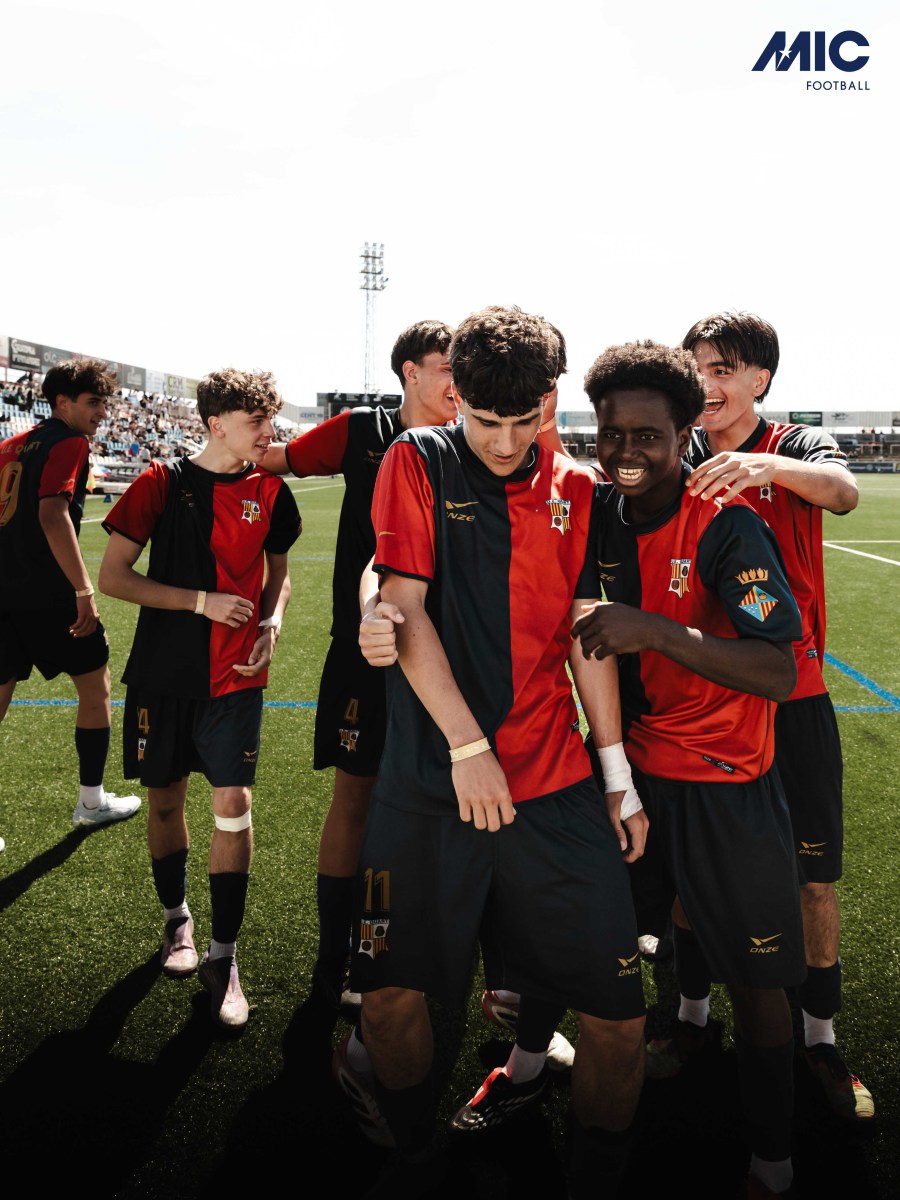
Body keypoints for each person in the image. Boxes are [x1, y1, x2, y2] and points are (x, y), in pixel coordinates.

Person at [349, 306, 648, 1197]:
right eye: (487, 420)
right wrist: (467, 743)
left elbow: (587, 637)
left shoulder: (583, 488)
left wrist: (616, 774)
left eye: (525, 420)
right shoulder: (417, 458)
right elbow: (403, 601)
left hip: (554, 790)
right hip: (427, 785)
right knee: (389, 999)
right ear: (455, 398)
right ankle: (413, 1159)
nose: (507, 441)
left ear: (550, 400)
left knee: (618, 1016)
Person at [571, 339, 804, 1198]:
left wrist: (657, 631)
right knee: (606, 940)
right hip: (632, 772)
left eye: (648, 436)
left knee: (758, 979)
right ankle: (656, 1034)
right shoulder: (596, 510)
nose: (627, 452)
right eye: (612, 434)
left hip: (723, 780)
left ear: (684, 436)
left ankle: (774, 1158)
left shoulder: (724, 524)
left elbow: (778, 669)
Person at [660, 311, 872, 1122]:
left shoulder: (794, 445)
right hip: (702, 702)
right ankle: (689, 1017)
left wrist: (764, 467)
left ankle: (820, 1037)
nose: (706, 384)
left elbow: (845, 492)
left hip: (795, 700)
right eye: (696, 368)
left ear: (760, 379)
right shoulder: (675, 450)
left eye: (721, 369)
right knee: (689, 872)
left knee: (813, 878)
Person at [261, 320, 455, 1011]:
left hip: (445, 652)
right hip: (363, 648)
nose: (456, 382)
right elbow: (271, 461)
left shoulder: (470, 442)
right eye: (445, 366)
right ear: (409, 370)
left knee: (448, 807)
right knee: (356, 798)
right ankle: (336, 954)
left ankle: (445, 952)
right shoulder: (360, 430)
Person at [98, 368, 301, 1030]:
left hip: (236, 677)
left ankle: (224, 956)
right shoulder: (161, 483)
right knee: (164, 802)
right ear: (216, 424)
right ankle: (175, 920)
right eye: (255, 421)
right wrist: (199, 602)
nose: (268, 432)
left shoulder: (271, 491)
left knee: (233, 806)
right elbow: (113, 578)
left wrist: (271, 622)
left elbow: (279, 574)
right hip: (162, 676)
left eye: (270, 420)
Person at [1, 358, 141, 855]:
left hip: (4, 591)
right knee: (95, 688)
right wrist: (83, 590)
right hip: (49, 594)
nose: (102, 412)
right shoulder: (70, 442)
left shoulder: (11, 444)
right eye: (93, 402)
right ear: (62, 402)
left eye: (105, 402)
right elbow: (51, 513)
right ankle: (91, 801)